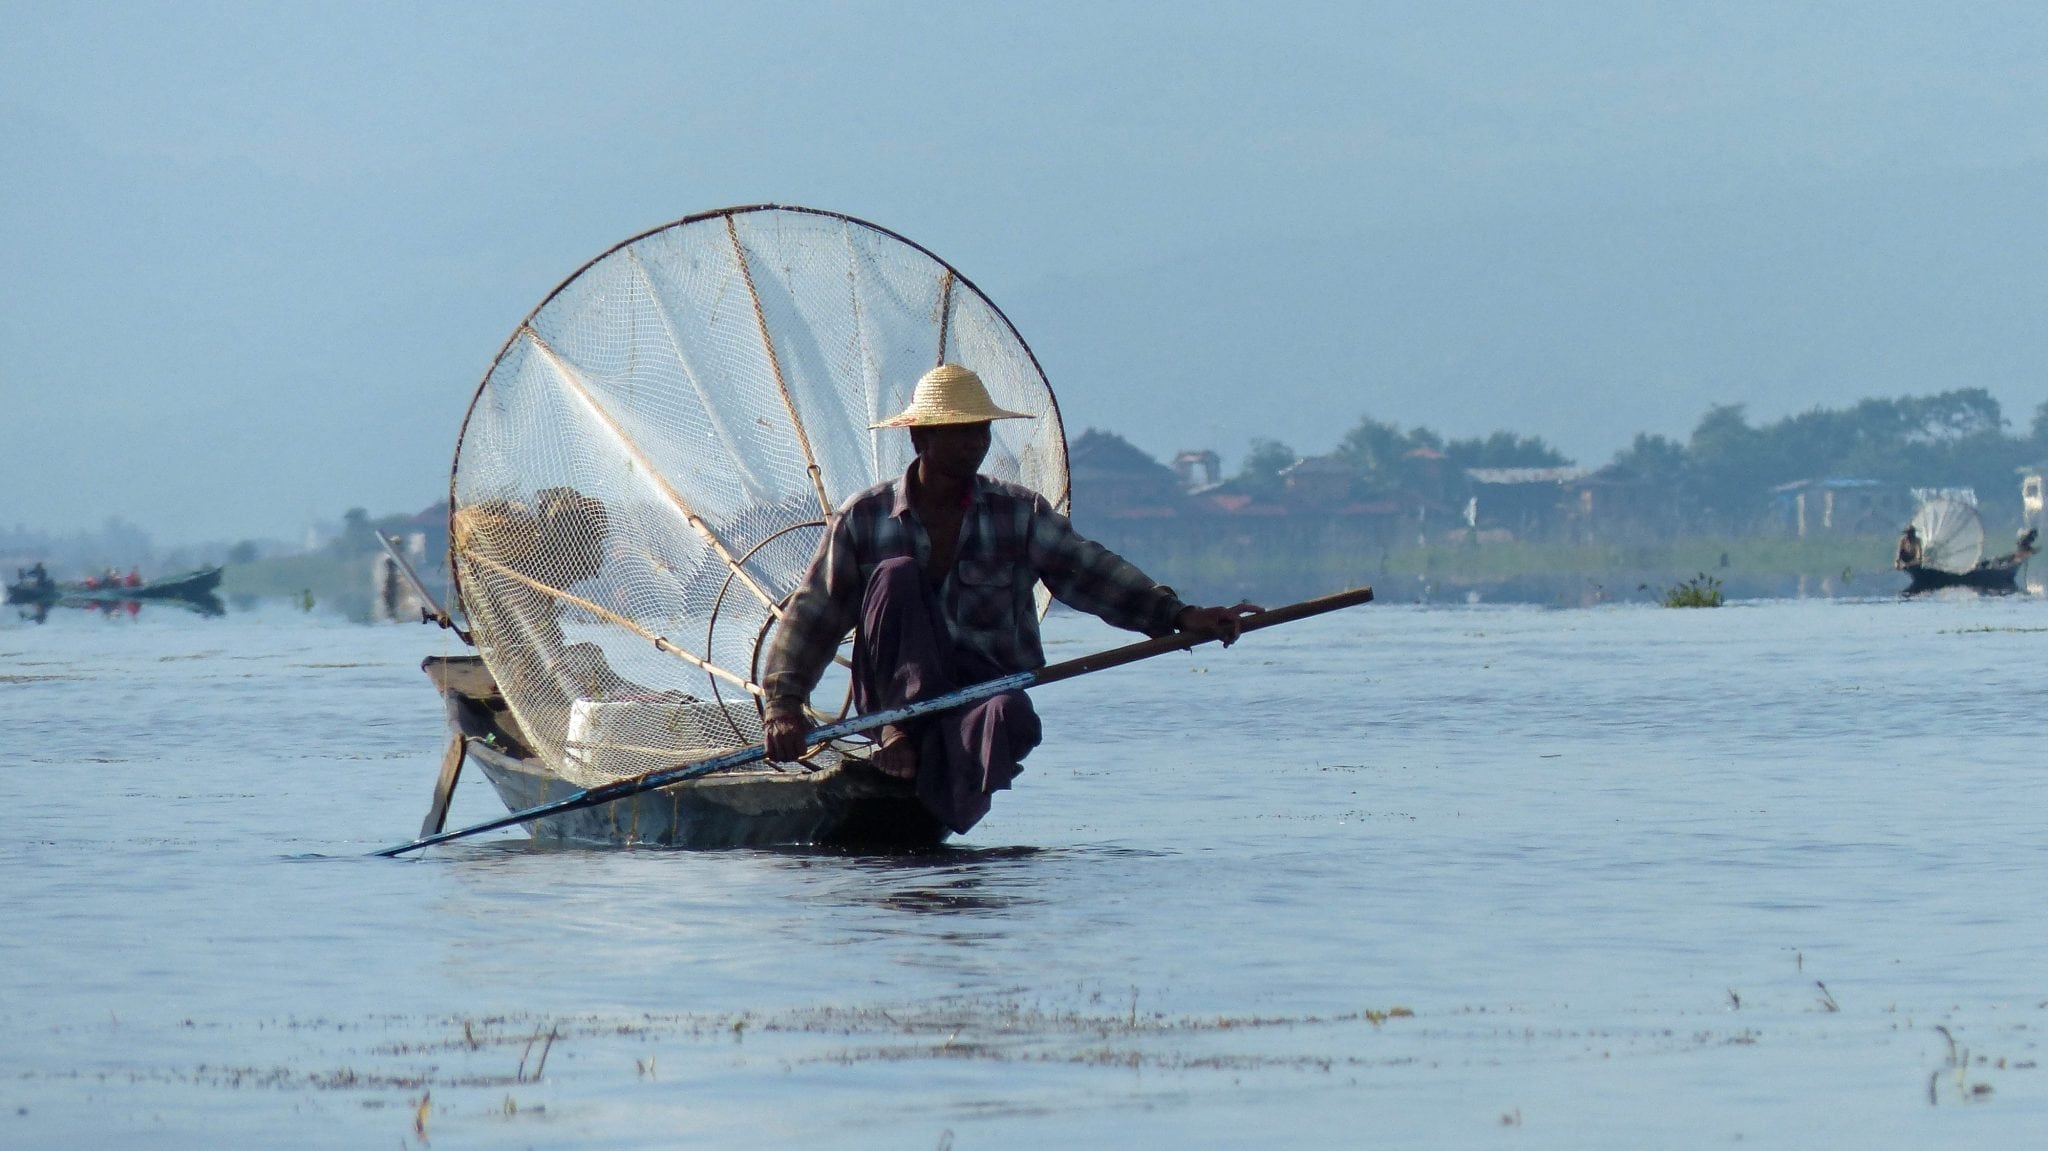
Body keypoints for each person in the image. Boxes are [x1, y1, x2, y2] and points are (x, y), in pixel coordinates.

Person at [760, 363, 1257, 834]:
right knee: (897, 575)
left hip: (980, 691)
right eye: (959, 432)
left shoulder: (1017, 513)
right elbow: (814, 615)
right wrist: (784, 704)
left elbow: (1092, 572)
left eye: (980, 431)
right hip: (894, 705)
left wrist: (1179, 615)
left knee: (1012, 716)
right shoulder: (865, 517)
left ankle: (936, 785)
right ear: (920, 438)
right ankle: (902, 738)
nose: (974, 443)